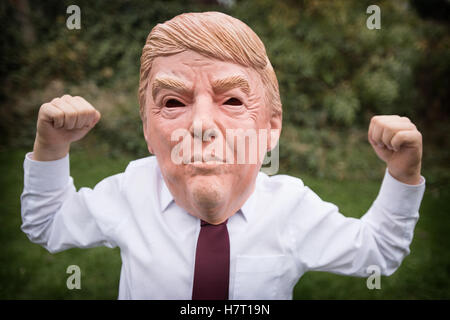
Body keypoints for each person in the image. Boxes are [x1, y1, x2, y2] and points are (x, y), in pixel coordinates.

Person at [20, 12, 425, 300]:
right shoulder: (131, 192)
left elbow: (378, 251)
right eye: (173, 102)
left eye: (232, 99)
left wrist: (403, 175)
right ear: (147, 128)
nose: (201, 124)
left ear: (271, 127)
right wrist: (52, 149)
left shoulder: (291, 208)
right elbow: (48, 223)